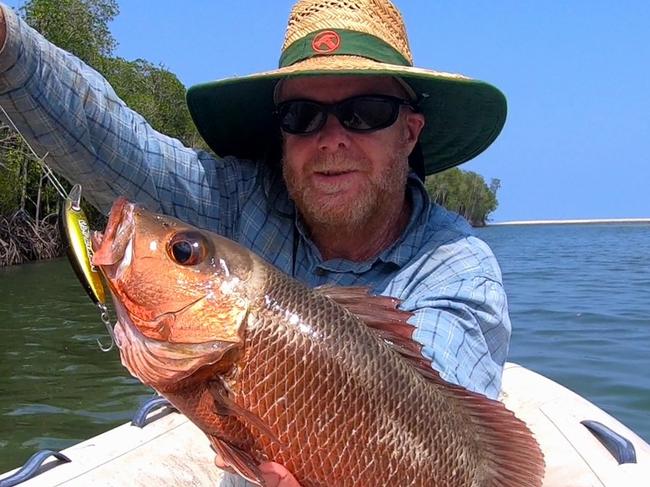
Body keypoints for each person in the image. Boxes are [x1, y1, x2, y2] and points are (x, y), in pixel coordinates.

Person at [0, 1, 511, 485]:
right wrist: (6, 42)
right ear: (281, 133)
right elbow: (115, 143)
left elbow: (442, 418)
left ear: (409, 133)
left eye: (367, 111)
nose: (332, 138)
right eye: (302, 116)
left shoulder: (458, 268)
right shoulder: (238, 202)